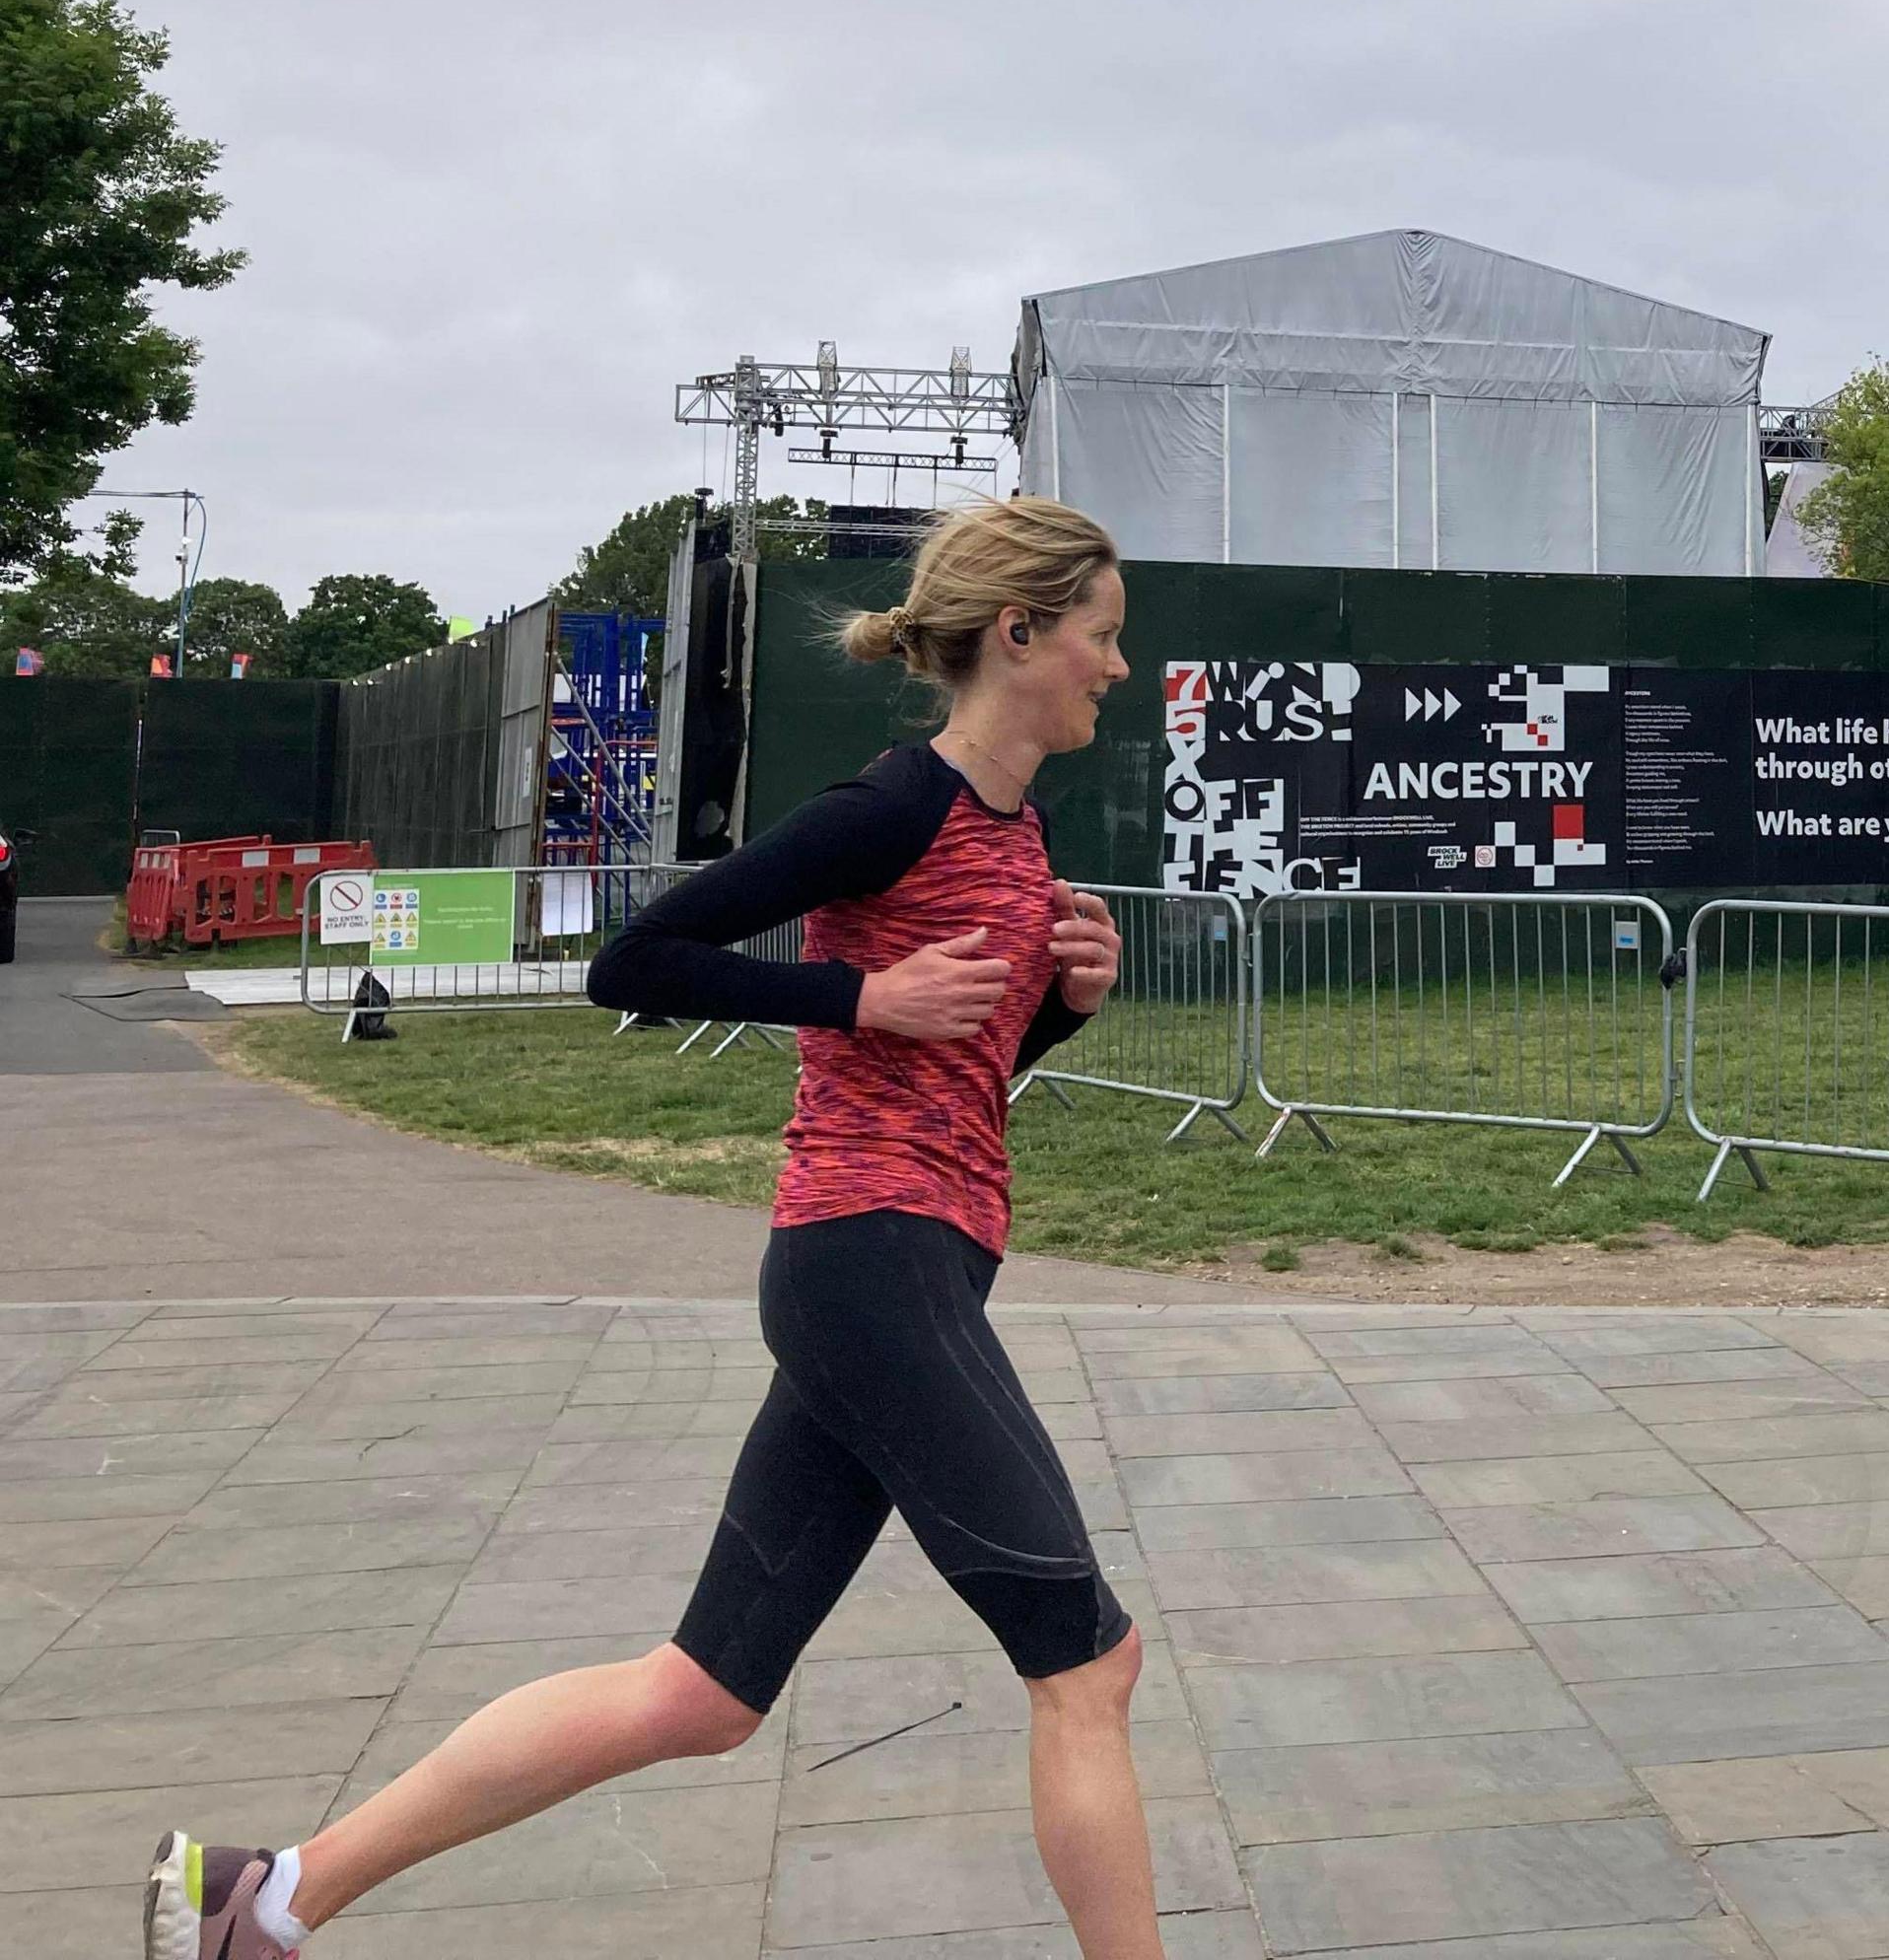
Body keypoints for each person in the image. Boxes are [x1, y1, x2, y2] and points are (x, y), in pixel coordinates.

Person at [148, 498, 1160, 1960]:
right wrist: (856, 995)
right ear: (1018, 632)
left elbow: (961, 1077)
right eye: (1102, 636)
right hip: (869, 1265)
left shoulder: (1018, 832)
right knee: (1089, 1666)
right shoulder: (893, 807)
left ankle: (267, 1899)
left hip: (903, 1267)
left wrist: (1062, 1008)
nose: (1116, 667)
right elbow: (633, 961)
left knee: (705, 1693)